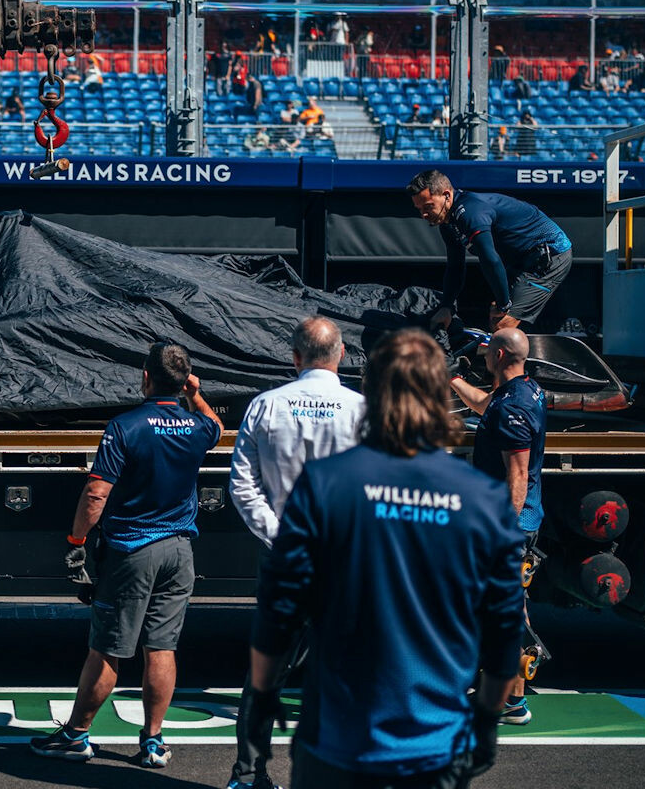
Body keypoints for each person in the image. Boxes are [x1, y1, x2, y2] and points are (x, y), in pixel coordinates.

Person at [244, 328, 524, 789]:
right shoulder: (482, 499)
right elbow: (503, 630)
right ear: (440, 395)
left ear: (370, 392)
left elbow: (280, 609)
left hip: (335, 744)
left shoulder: (325, 484)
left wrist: (262, 694)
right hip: (434, 750)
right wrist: (487, 723)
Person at [31, 342, 222, 768]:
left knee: (109, 649)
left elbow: (97, 493)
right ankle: (153, 741)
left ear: (145, 377)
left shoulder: (125, 426)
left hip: (133, 551)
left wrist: (77, 543)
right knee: (161, 648)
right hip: (179, 551)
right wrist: (195, 393)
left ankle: (76, 735)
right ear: (182, 381)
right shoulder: (195, 428)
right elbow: (215, 425)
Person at [225, 318, 364, 789]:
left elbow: (242, 485)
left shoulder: (266, 405)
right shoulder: (364, 411)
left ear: (295, 357)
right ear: (341, 354)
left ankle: (248, 776)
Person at [450, 327, 545, 726]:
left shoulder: (512, 408)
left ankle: (511, 704)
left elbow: (517, 475)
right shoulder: (522, 391)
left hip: (510, 524)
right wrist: (453, 379)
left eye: (489, 349)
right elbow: (485, 405)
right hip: (516, 520)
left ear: (502, 355)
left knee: (508, 611)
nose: (483, 353)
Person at [407, 169, 572, 332]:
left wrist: (505, 304)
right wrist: (446, 306)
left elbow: (490, 259)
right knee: (496, 318)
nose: (424, 215)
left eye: (428, 206)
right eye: (419, 209)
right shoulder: (447, 224)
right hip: (521, 258)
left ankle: (517, 355)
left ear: (447, 195)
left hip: (550, 253)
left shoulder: (471, 213)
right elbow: (455, 267)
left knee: (503, 324)